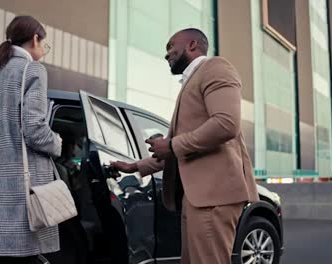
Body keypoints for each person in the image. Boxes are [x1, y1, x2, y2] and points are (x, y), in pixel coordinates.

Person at [110, 28, 259, 264]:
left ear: (192, 45)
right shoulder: (191, 82)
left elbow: (225, 124)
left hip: (214, 195)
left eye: (170, 46)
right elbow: (181, 150)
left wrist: (171, 144)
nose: (166, 54)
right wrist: (135, 167)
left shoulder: (215, 68)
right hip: (196, 197)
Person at [0, 15, 62, 264]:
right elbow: (34, 130)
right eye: (44, 44)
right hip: (20, 191)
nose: (44, 50)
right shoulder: (31, 69)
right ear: (35, 39)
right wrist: (57, 143)